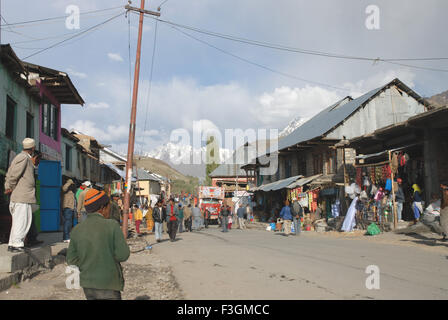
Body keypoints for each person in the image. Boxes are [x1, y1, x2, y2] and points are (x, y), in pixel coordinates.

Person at [66, 189, 130, 300]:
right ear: (102, 208)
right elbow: (123, 255)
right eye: (109, 206)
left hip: (88, 285)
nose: (110, 209)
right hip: (109, 283)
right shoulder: (112, 225)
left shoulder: (77, 229)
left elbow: (71, 259)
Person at [4, 138, 39, 252]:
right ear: (33, 148)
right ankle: (17, 244)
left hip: (23, 196)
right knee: (22, 221)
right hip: (21, 196)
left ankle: (13, 243)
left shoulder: (25, 158)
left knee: (19, 221)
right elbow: (13, 174)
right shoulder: (23, 157)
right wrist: (9, 187)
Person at [61, 178, 76, 243]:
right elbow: (64, 188)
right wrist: (69, 182)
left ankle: (66, 237)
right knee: (67, 223)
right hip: (67, 208)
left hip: (71, 208)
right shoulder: (65, 190)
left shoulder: (71, 192)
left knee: (69, 223)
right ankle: (66, 237)